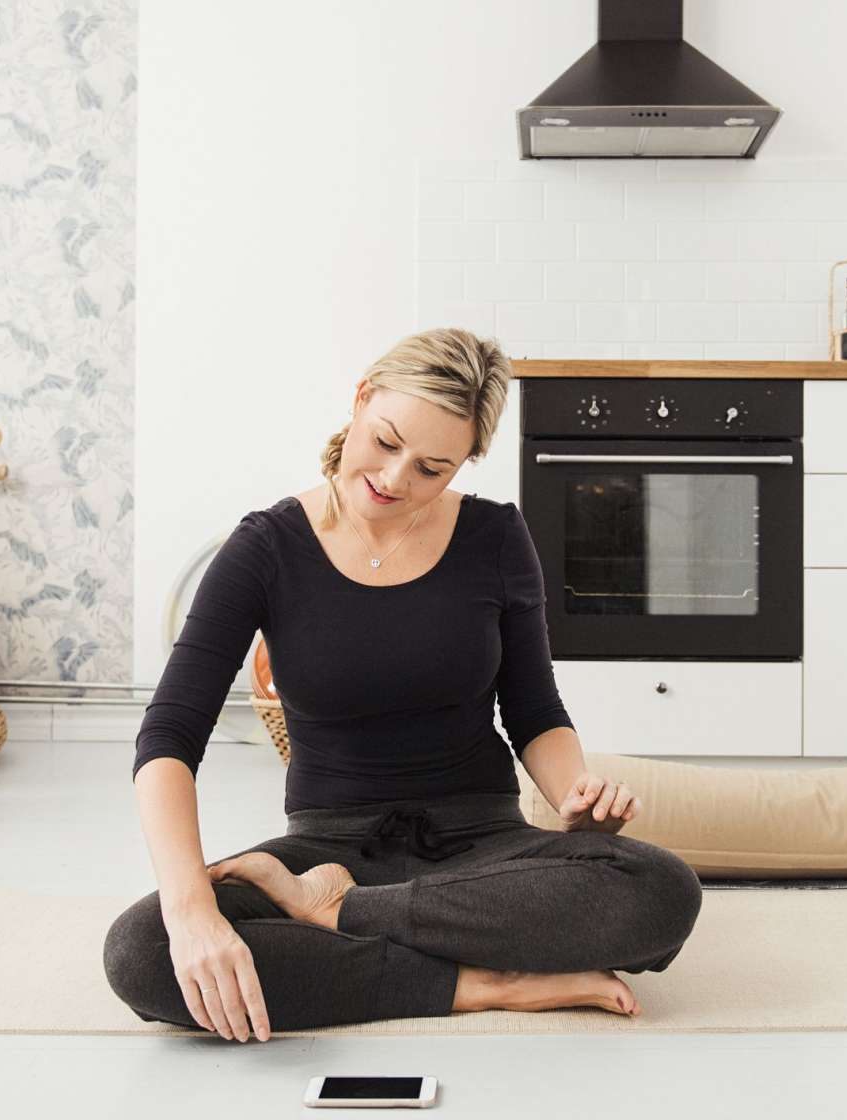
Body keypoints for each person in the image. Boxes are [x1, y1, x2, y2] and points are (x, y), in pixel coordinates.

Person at [103, 327, 703, 1041]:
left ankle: (344, 919)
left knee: (661, 891)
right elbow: (169, 736)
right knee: (143, 950)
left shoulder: (496, 538)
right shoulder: (264, 549)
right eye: (385, 442)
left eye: (431, 468)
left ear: (467, 462)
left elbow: (534, 708)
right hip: (327, 848)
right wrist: (191, 910)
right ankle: (483, 982)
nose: (394, 481)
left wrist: (573, 796)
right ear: (361, 400)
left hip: (480, 845)